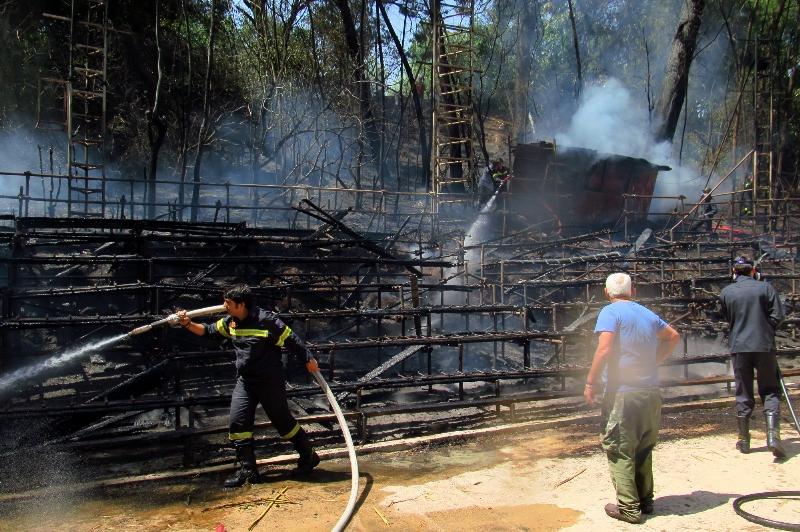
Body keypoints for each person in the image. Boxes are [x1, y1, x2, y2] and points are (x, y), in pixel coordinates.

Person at [177, 284, 321, 487]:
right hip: (245, 382)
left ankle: (308, 456)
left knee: (283, 423)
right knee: (238, 423)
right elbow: (209, 331)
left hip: (269, 381)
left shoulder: (266, 321)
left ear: (241, 304)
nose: (224, 306)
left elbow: (292, 339)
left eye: (228, 303)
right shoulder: (231, 322)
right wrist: (187, 323)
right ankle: (248, 471)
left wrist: (308, 358)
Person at [584, 272, 680, 524]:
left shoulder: (610, 312)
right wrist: (655, 361)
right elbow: (673, 336)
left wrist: (590, 382)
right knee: (644, 447)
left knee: (620, 448)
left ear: (607, 293)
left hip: (623, 393)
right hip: (650, 392)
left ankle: (628, 508)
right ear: (632, 291)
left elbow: (604, 348)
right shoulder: (645, 313)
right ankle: (646, 501)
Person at [719, 256, 786, 458]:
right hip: (764, 346)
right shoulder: (765, 288)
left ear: (734, 271)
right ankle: (773, 437)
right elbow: (778, 316)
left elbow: (725, 317)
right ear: (753, 270)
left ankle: (745, 440)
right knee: (770, 389)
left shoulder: (726, 292)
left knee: (743, 390)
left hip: (739, 347)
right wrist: (766, 330)